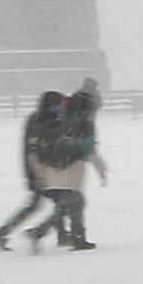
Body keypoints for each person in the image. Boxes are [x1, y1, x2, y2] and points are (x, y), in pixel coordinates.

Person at [0, 92, 71, 249]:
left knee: (46, 203)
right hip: (39, 170)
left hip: (47, 169)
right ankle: (41, 231)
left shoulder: (51, 120)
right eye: (56, 106)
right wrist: (38, 174)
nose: (59, 109)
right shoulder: (38, 122)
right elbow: (32, 152)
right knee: (65, 202)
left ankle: (2, 233)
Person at [49, 81, 104, 248]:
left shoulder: (67, 107)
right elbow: (88, 146)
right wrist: (99, 166)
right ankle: (76, 237)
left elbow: (54, 116)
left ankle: (61, 233)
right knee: (76, 200)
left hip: (57, 158)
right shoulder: (85, 116)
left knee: (65, 200)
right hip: (75, 161)